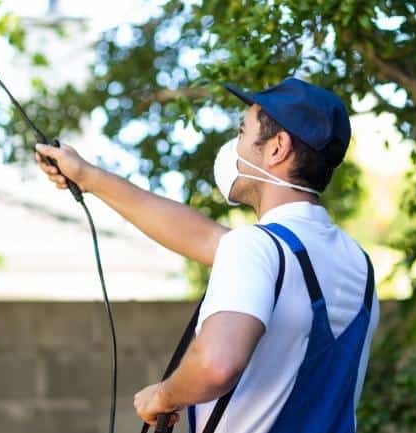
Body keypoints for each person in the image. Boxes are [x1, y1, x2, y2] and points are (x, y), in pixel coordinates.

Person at [35, 77, 380, 433]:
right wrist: (87, 176)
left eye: (242, 132)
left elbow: (217, 363)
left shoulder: (257, 249)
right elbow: (203, 238)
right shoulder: (357, 265)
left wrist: (166, 395)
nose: (235, 145)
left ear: (278, 147)